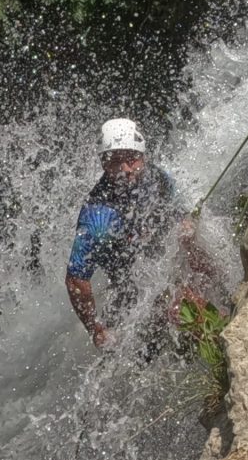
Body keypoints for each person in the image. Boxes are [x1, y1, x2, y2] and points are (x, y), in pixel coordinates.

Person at [65, 118, 215, 348]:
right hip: (130, 292)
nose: (125, 168)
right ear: (103, 163)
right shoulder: (98, 216)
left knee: (200, 268)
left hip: (159, 266)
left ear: (143, 156)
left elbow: (178, 212)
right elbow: (76, 279)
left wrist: (186, 227)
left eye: (131, 158)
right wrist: (95, 329)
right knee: (182, 308)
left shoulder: (157, 178)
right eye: (115, 161)